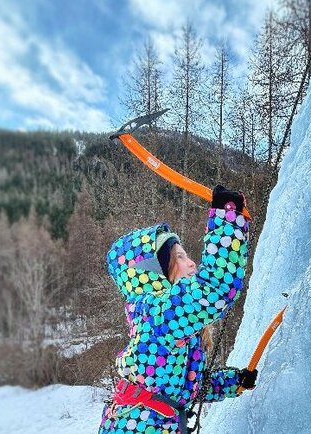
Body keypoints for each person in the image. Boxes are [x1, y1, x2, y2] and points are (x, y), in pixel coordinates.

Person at [99, 185, 258, 434]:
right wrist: (227, 217)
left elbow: (188, 387)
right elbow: (215, 286)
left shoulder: (167, 323)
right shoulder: (158, 316)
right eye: (180, 257)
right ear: (154, 273)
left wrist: (233, 382)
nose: (192, 263)